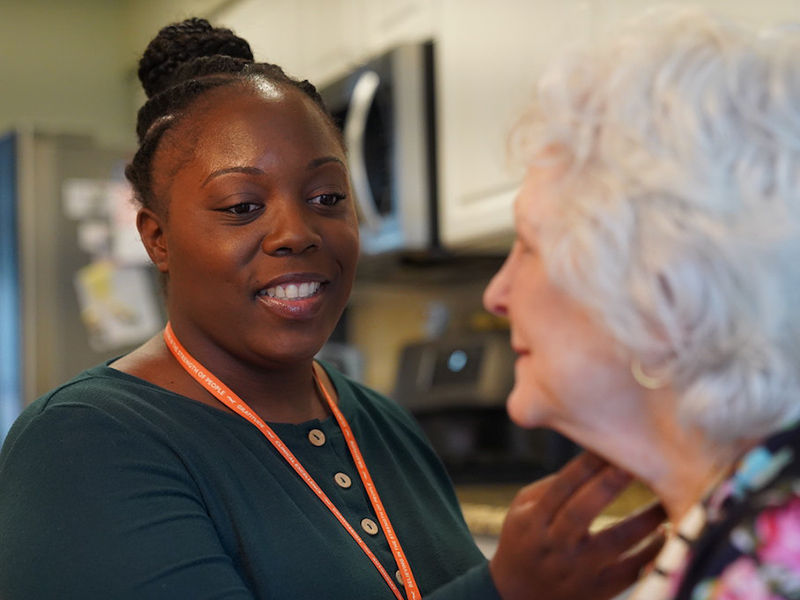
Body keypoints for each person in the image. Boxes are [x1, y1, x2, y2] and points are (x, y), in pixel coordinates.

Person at [0, 17, 663, 600]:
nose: (298, 232)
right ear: (158, 238)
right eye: (241, 206)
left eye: (326, 197)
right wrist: (503, 592)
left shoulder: (383, 424)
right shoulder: (84, 443)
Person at [483, 6, 800, 600]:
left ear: (660, 291)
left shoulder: (760, 570)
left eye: (528, 246)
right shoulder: (748, 521)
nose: (495, 296)